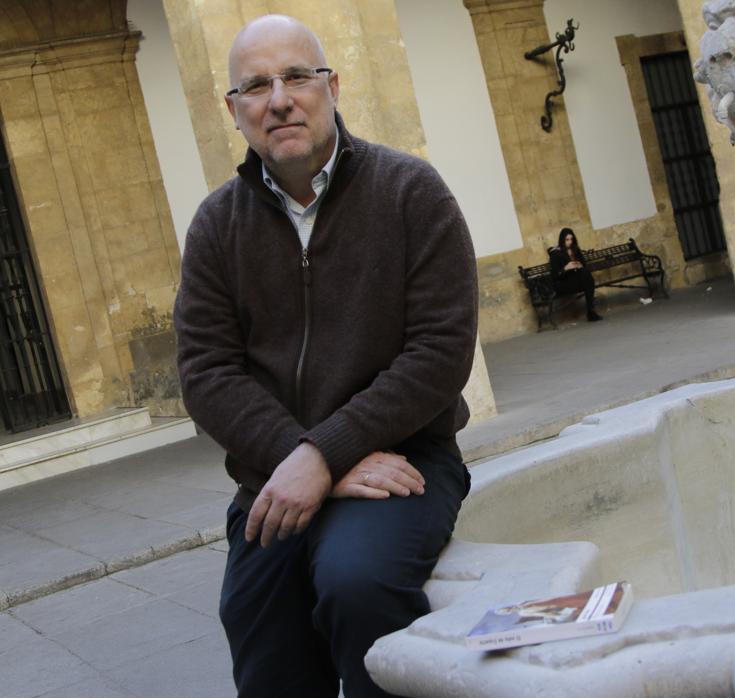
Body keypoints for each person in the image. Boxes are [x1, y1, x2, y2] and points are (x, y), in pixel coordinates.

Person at [173, 14, 478, 697]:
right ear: (234, 110)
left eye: (297, 77)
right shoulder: (218, 226)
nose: (278, 98)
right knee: (259, 629)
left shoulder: (410, 194)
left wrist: (322, 454)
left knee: (357, 584)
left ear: (332, 86)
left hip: (405, 463)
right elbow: (206, 373)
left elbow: (439, 352)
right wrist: (310, 461)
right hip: (274, 476)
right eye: (255, 85)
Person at [548, 227, 602, 322]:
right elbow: (555, 276)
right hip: (563, 283)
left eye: (571, 239)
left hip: (576, 280)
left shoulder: (575, 249)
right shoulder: (556, 253)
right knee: (588, 280)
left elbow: (584, 265)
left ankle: (590, 311)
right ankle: (591, 312)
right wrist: (565, 268)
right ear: (562, 239)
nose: (570, 242)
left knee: (587, 276)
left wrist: (580, 265)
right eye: (567, 240)